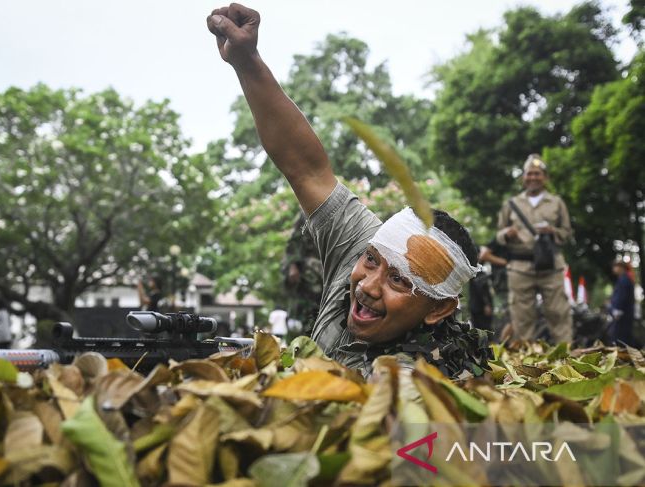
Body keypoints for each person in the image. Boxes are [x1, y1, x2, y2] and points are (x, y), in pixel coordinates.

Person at [207, 4, 491, 378]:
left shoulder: (428, 384)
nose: (369, 286)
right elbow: (306, 168)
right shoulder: (370, 249)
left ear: (438, 310)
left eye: (400, 281)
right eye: (371, 260)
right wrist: (247, 60)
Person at [496, 154, 573, 343]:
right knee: (522, 316)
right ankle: (524, 361)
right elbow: (498, 235)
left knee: (557, 312)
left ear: (545, 178)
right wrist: (507, 233)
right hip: (520, 266)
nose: (533, 177)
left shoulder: (556, 203)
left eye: (538, 174)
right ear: (524, 178)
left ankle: (566, 357)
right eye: (529, 174)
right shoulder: (511, 204)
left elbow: (567, 232)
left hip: (550, 264)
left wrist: (552, 231)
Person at [282, 212, 323, 336]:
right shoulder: (307, 212)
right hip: (310, 270)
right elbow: (295, 239)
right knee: (308, 312)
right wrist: (293, 264)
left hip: (329, 268)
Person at [608, 261, 636, 346]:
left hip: (622, 315)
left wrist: (617, 310)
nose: (614, 269)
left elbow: (622, 296)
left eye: (615, 266)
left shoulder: (624, 279)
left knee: (620, 338)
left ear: (621, 267)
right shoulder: (623, 279)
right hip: (623, 314)